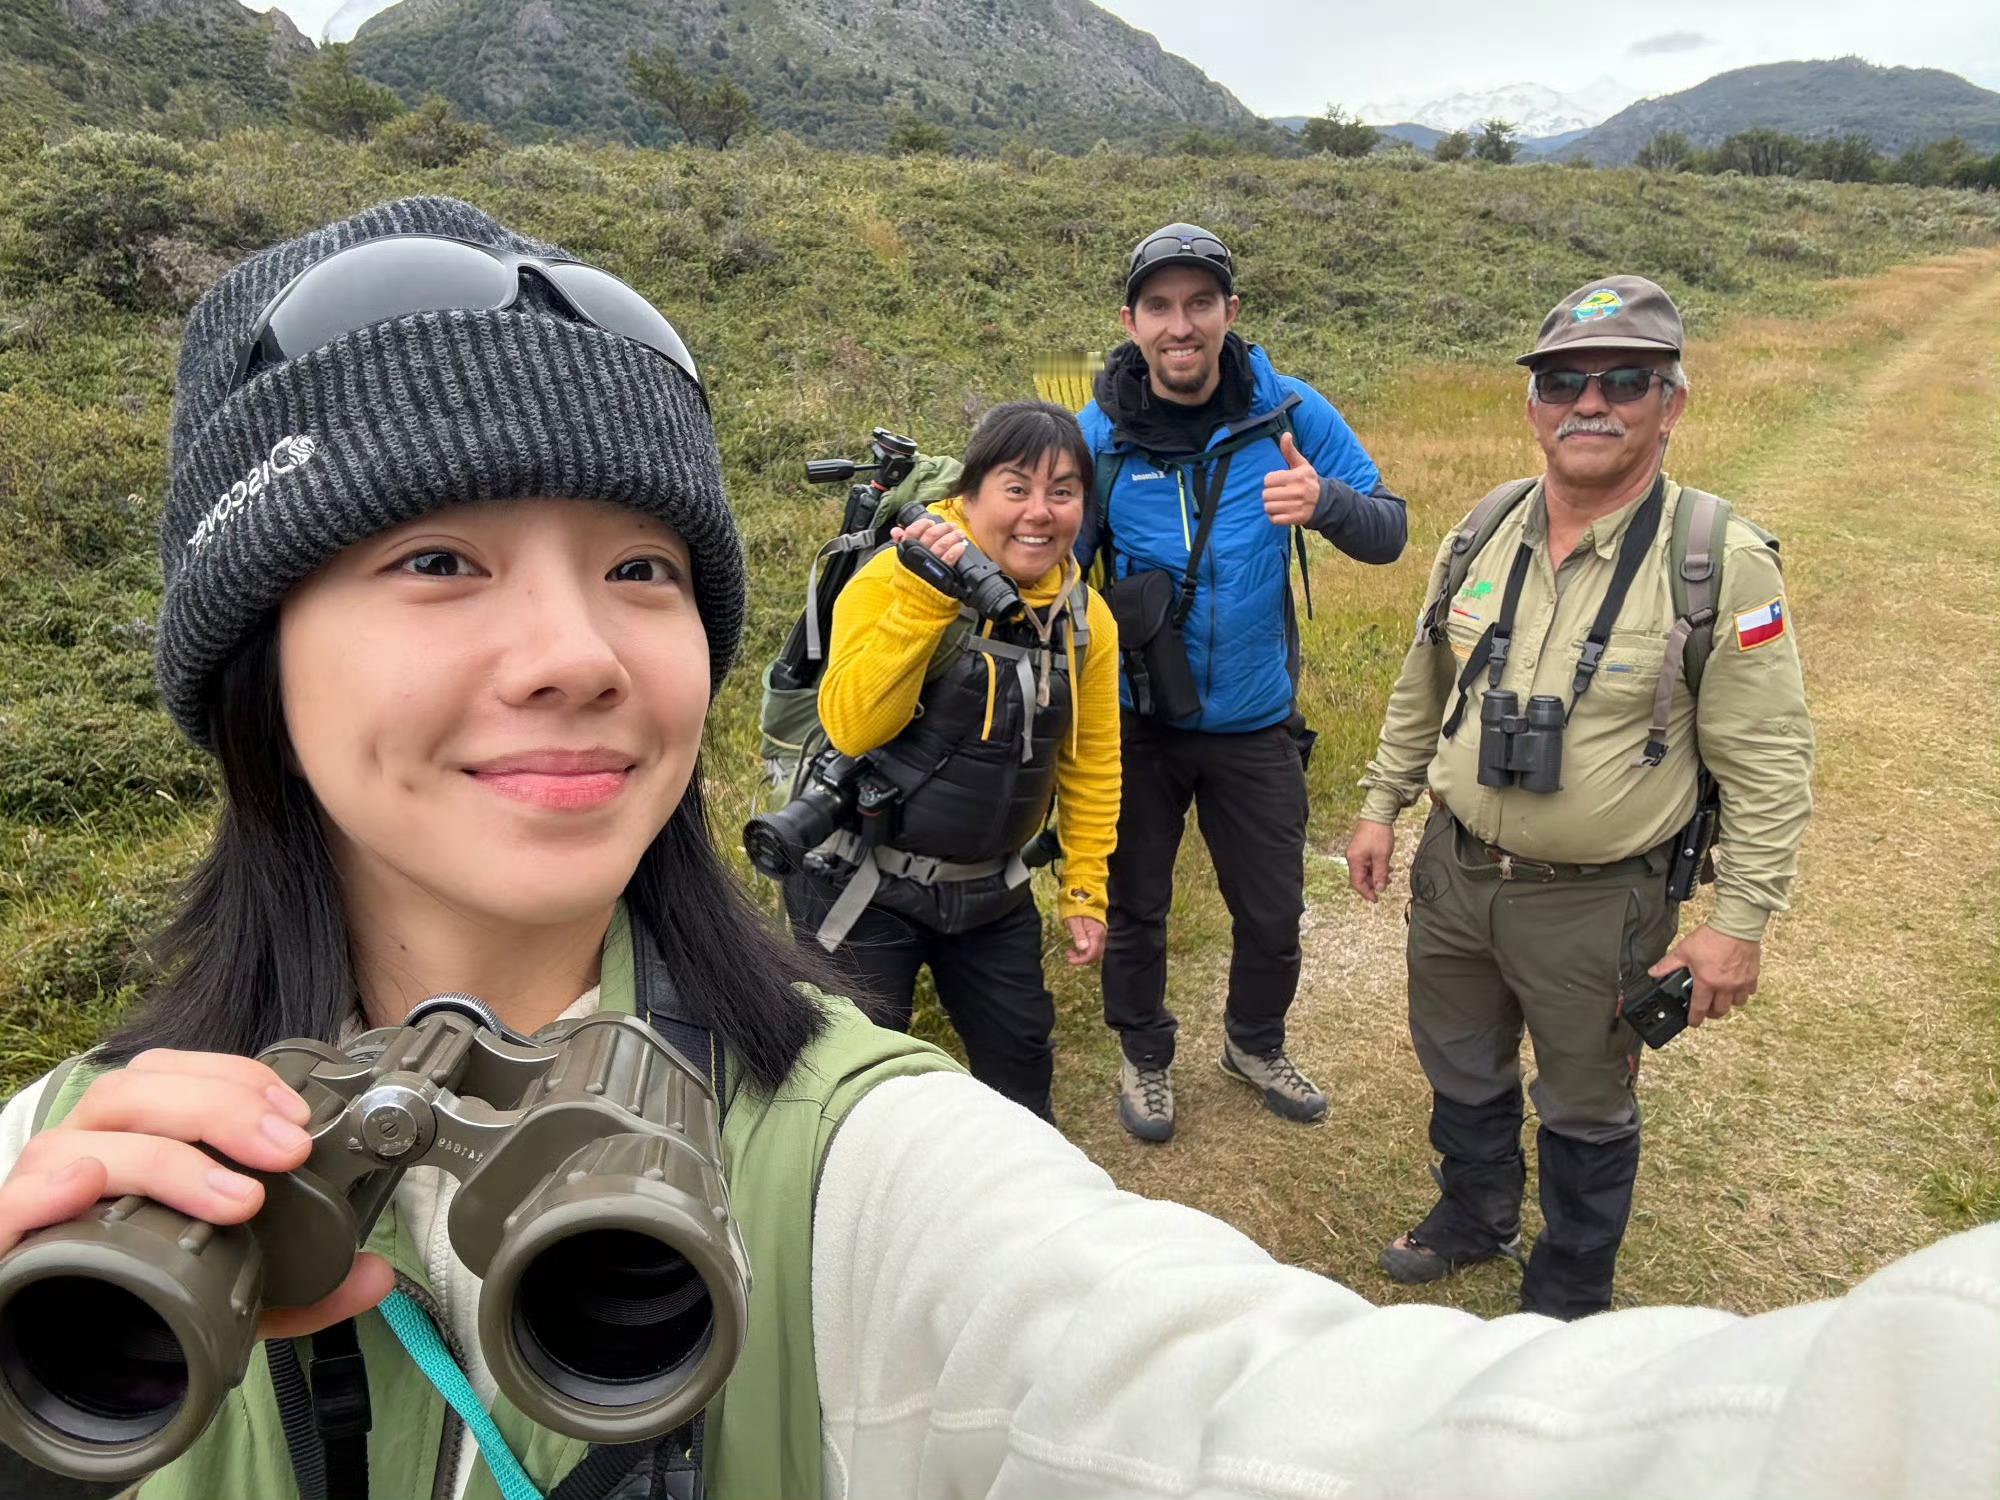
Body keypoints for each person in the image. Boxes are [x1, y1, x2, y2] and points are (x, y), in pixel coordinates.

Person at [0, 205, 1993, 1500]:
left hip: (1177, 819)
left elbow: (1263, 1426)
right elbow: (857, 715)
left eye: (637, 570)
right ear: (251, 659)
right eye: (435, 563)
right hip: (896, 893)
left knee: (1084, 1072)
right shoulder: (62, 1170)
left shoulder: (853, 1157)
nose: (574, 655)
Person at [1345, 275, 1817, 1319]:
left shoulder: (1713, 559)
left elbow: (1771, 760)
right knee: (1458, 1064)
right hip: (1455, 870)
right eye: (1562, 381)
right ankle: (1472, 1216)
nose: (1588, 403)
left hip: (1599, 900)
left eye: (1624, 380)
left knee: (1586, 1101)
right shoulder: (1483, 526)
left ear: (1670, 403)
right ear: (1531, 405)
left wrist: (1735, 926)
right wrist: (1382, 804)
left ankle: (1566, 1291)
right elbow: (1423, 676)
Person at [1074, 223, 1407, 1143]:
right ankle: (1145, 1056)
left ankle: (1253, 1042)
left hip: (1257, 719)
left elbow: (1390, 528)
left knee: (1272, 908)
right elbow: (1053, 566)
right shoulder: (1098, 433)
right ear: (1132, 321)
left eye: (1199, 304)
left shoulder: (1291, 413)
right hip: (1139, 722)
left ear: (1230, 312)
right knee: (1138, 903)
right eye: (1160, 307)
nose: (1181, 326)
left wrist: (1326, 504)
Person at [781, 401, 1120, 1122]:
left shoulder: (1086, 618)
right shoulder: (890, 579)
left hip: (990, 891)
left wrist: (1085, 884)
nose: (1039, 513)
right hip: (860, 885)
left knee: (1022, 1068)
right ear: (969, 496)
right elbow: (851, 725)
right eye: (1016, 487)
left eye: (1062, 492)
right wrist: (925, 597)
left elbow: (1091, 761)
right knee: (855, 1093)